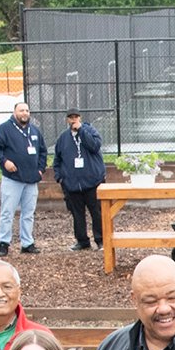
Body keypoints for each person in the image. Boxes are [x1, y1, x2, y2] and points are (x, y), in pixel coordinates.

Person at [0, 98, 49, 255]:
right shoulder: (5, 129)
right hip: (12, 179)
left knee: (28, 213)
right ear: (14, 112)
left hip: (31, 180)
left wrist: (40, 169)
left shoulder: (34, 131)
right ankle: (3, 243)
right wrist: (4, 161)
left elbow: (43, 151)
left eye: (27, 110)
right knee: (7, 212)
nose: (25, 113)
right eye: (21, 110)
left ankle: (27, 243)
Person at [55, 107, 107, 252]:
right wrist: (59, 177)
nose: (73, 120)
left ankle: (101, 240)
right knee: (77, 214)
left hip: (92, 181)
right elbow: (57, 159)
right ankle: (82, 240)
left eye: (76, 117)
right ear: (67, 120)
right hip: (72, 183)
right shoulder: (63, 138)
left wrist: (81, 131)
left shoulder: (90, 131)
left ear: (80, 118)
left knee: (96, 212)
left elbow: (94, 146)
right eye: (71, 117)